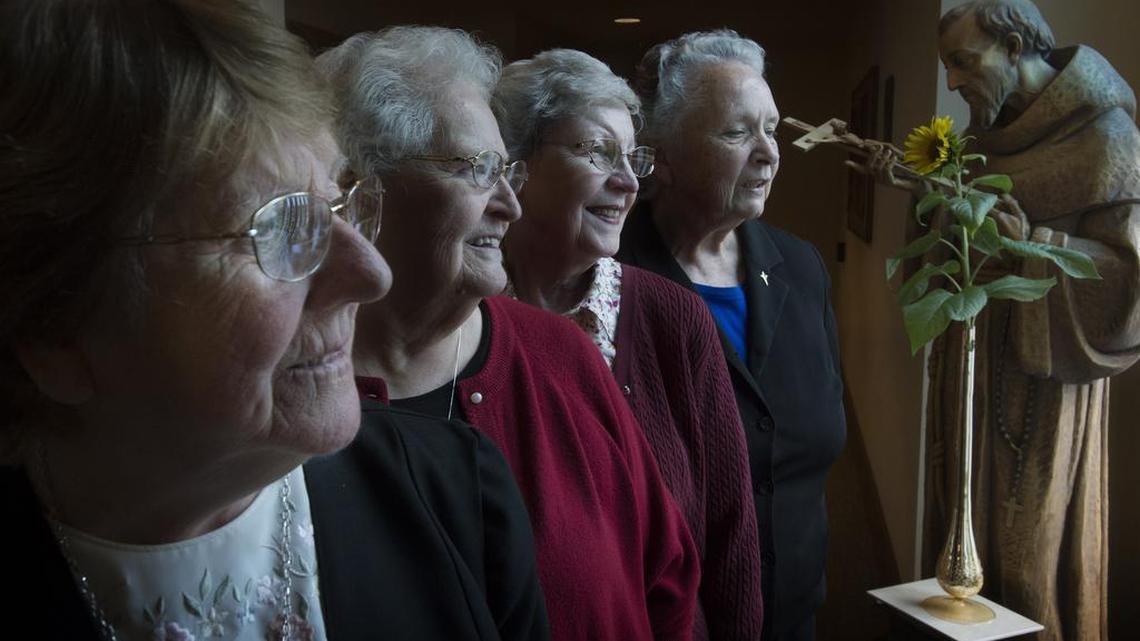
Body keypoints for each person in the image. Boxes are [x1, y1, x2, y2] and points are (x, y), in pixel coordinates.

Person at [0, 2, 550, 640]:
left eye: (338, 206)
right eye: (280, 228)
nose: (371, 275)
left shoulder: (459, 495)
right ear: (55, 328)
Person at [318, 26, 700, 641]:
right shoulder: (299, 402)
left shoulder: (563, 357)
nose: (509, 205)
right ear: (363, 189)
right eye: (475, 170)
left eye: (506, 172)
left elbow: (669, 585)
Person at [888, 2, 1140, 639]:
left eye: (964, 62)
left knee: (1029, 559)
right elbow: (950, 230)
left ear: (1015, 45)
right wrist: (928, 199)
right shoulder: (977, 139)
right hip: (971, 368)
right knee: (954, 525)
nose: (953, 83)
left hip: (1048, 385)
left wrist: (1032, 246)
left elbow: (1128, 277)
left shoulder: (1105, 135)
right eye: (947, 66)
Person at [492, 48, 763, 641]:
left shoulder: (673, 318)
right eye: (597, 152)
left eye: (632, 157)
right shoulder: (469, 322)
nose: (628, 181)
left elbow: (731, 535)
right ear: (516, 163)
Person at [618, 30, 848, 641]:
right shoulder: (611, 278)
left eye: (771, 128)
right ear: (659, 155)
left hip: (796, 618)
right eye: (737, 132)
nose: (769, 152)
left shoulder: (802, 269)